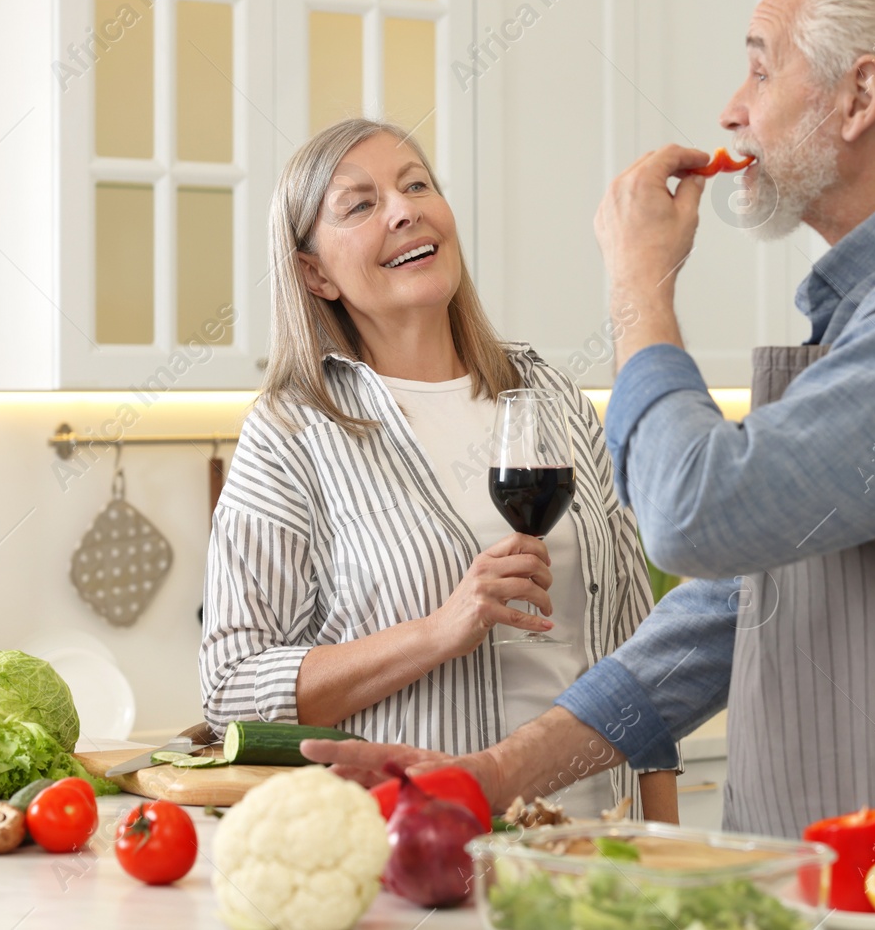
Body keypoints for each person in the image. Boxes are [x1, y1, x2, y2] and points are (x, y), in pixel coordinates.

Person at [303, 0, 875, 902]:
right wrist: (496, 774)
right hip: (844, 899)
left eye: (761, 67)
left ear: (860, 97)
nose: (732, 109)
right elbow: (733, 609)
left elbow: (695, 516)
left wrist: (640, 286)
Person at [198, 117, 676, 820]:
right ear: (315, 272)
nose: (404, 209)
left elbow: (641, 642)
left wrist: (662, 842)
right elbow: (232, 689)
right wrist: (438, 629)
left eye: (417, 184)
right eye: (361, 204)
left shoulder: (551, 398)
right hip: (419, 844)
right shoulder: (291, 432)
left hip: (595, 842)